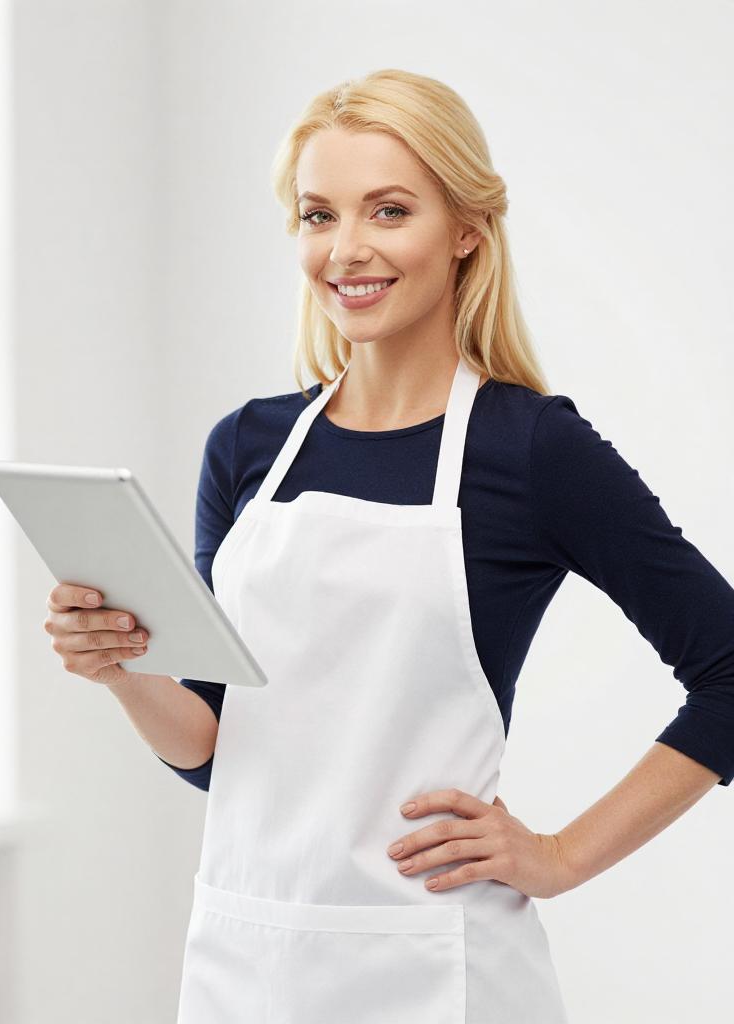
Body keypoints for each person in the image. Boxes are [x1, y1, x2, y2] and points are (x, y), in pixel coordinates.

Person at [142, 68, 734, 1022]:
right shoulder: (247, 446)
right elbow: (220, 748)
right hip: (245, 961)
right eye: (317, 214)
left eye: (387, 211)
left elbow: (729, 669)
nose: (347, 250)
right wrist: (124, 669)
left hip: (434, 972)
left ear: (465, 229)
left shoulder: (532, 449)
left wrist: (561, 856)